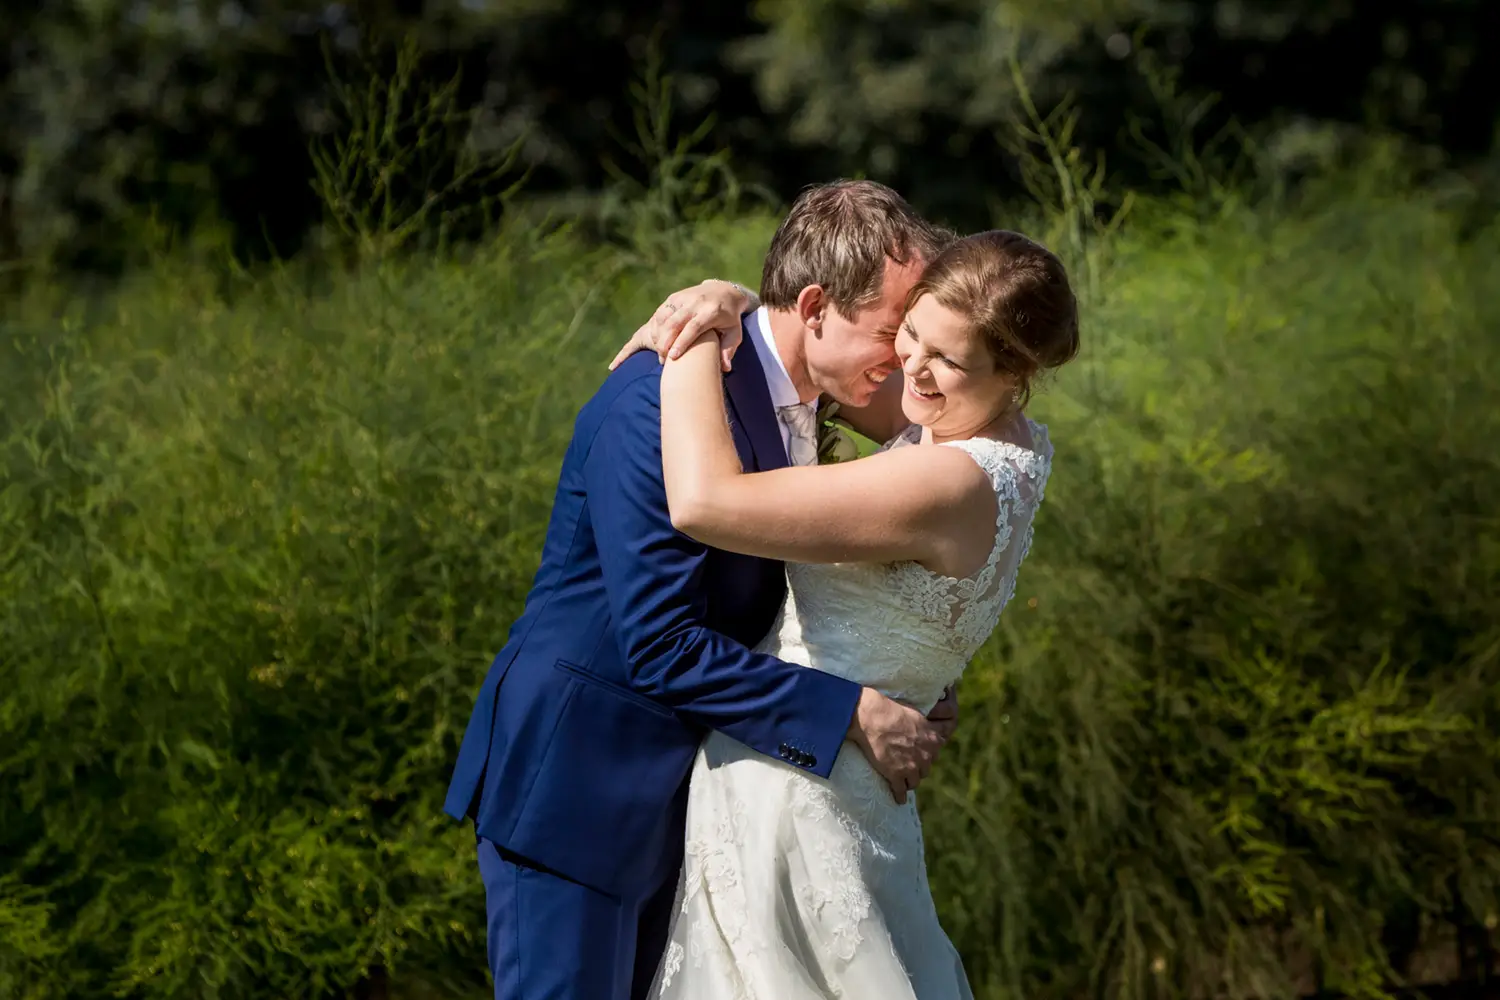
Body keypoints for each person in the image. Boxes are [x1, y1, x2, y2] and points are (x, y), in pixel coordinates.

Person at [442, 179, 961, 1000]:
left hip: (687, 808)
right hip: (577, 791)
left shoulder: (814, 394)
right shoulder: (665, 398)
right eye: (894, 334)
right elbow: (660, 642)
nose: (901, 362)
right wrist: (852, 712)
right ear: (818, 304)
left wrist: (910, 668)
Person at [616, 228, 1080, 998]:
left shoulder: (945, 482)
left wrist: (693, 342)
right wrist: (739, 299)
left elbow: (706, 502)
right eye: (910, 334)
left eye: (947, 359)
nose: (913, 367)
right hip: (843, 773)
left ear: (1016, 370)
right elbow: (828, 365)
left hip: (797, 789)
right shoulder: (1001, 437)